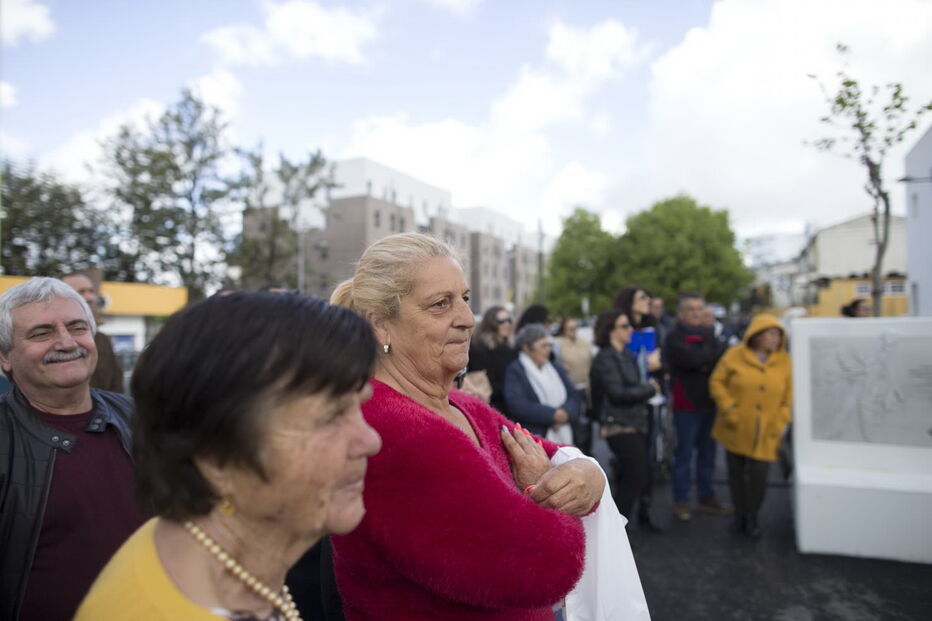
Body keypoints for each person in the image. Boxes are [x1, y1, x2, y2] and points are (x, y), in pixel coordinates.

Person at [330, 232, 604, 620]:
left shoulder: (461, 404)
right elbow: (544, 566)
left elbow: (553, 457)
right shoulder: (392, 430)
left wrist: (588, 472)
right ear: (380, 325)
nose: (468, 319)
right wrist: (554, 489)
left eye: (465, 298)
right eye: (440, 305)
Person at [76, 292, 382, 620]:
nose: (371, 441)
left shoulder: (221, 564)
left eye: (359, 406)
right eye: (330, 417)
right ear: (216, 454)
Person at [0, 277, 142, 621]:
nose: (66, 342)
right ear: (5, 357)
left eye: (77, 328)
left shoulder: (138, 417)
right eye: (41, 333)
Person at [710, 314, 791, 538]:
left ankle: (752, 514)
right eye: (771, 333)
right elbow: (717, 382)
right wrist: (729, 408)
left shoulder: (785, 360)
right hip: (736, 426)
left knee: (759, 476)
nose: (776, 339)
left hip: (767, 429)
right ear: (757, 335)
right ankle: (740, 514)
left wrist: (782, 418)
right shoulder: (735, 355)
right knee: (735, 474)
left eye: (779, 335)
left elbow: (789, 395)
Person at [590, 310, 660, 526]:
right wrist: (649, 389)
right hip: (617, 423)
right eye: (624, 326)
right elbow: (618, 393)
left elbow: (633, 385)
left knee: (631, 474)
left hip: (635, 421)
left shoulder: (627, 354)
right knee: (636, 475)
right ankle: (615, 527)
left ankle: (618, 525)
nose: (630, 330)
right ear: (611, 331)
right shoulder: (605, 357)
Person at [664, 292, 730, 521]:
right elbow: (692, 360)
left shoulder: (710, 334)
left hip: (709, 403)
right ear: (681, 314)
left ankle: (706, 496)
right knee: (683, 455)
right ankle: (681, 500)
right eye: (690, 309)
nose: (696, 313)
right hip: (686, 405)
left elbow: (720, 359)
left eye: (699, 309)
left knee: (708, 453)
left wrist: (703, 361)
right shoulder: (674, 338)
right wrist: (704, 361)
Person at [504, 323, 583, 442]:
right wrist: (553, 416)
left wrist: (565, 414)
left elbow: (574, 395)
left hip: (565, 430)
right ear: (526, 348)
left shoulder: (555, 367)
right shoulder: (516, 370)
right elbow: (517, 404)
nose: (548, 349)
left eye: (549, 345)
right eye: (543, 346)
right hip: (536, 436)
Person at [60, 272, 124, 393]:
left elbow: (116, 386)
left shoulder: (103, 340)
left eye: (91, 291)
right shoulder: (48, 342)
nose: (90, 297)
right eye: (81, 292)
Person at [554, 316, 594, 454]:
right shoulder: (557, 344)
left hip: (585, 388)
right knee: (575, 426)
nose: (573, 331)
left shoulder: (583, 343)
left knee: (586, 425)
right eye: (570, 328)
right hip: (569, 390)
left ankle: (587, 452)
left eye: (575, 328)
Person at [467, 305, 517, 414]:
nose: (506, 324)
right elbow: (484, 384)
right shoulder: (480, 349)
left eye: (509, 320)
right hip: (493, 408)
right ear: (491, 323)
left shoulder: (511, 347)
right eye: (501, 321)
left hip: (512, 404)